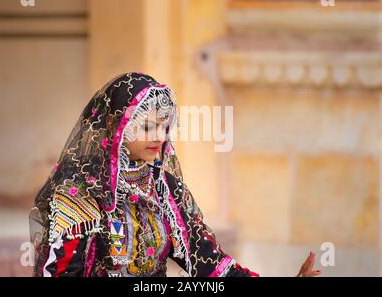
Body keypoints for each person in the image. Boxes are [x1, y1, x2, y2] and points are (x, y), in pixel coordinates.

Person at [29, 72, 321, 277]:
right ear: (115, 125)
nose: (158, 136)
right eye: (146, 127)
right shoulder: (81, 191)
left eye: (163, 126)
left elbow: (208, 264)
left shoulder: (165, 191)